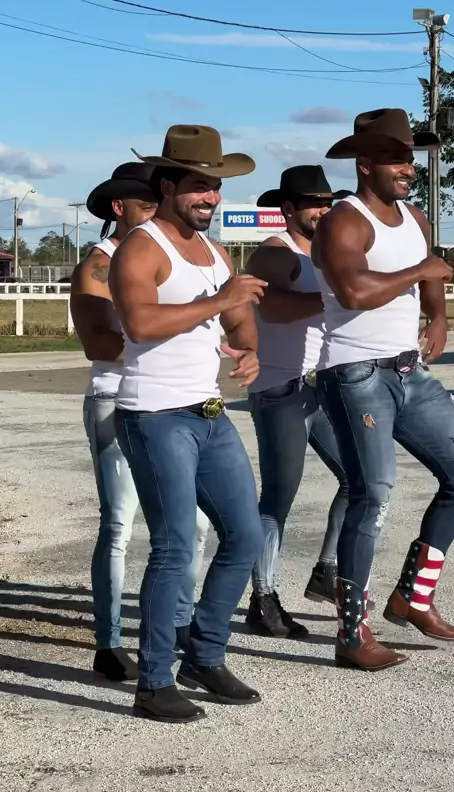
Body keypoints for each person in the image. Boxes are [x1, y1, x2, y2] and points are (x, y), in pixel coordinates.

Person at [312, 108, 454, 672]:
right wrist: (422, 273)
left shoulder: (414, 217)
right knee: (373, 494)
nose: (407, 167)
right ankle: (351, 633)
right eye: (395, 158)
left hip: (410, 371)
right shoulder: (344, 220)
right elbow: (354, 291)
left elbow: (429, 271)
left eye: (410, 158)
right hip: (355, 374)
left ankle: (413, 597)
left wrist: (439, 317)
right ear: (365, 164)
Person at [109, 125, 266, 724]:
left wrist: (248, 348)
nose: (212, 198)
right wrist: (221, 302)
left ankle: (204, 654)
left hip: (209, 411)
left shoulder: (214, 252)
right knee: (174, 548)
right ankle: (153, 682)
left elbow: (237, 317)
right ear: (168, 186)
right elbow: (141, 324)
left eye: (216, 187)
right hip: (155, 415)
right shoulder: (142, 247)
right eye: (201, 186)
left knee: (245, 536)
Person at [70, 162, 209, 682]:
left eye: (158, 203)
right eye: (146, 205)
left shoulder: (174, 256)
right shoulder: (99, 265)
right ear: (118, 208)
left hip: (172, 403)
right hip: (115, 400)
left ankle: (178, 622)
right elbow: (98, 342)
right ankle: (108, 641)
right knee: (119, 523)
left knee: (193, 524)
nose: (155, 213)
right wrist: (168, 337)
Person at [245, 165, 352, 638]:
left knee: (359, 479)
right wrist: (336, 298)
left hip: (322, 387)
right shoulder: (276, 253)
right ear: (288, 209)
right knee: (278, 497)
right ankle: (263, 598)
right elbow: (272, 308)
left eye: (328, 203)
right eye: (314, 204)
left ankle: (326, 570)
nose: (323, 211)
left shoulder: (328, 253)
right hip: (280, 389)